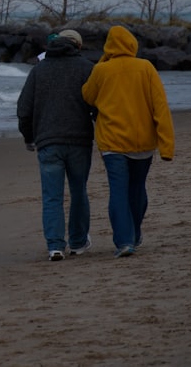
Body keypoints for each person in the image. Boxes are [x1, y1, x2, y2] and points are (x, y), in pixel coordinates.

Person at [81, 25, 175, 258]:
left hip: (112, 142)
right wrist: (166, 146)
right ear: (132, 45)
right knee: (137, 189)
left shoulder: (101, 70)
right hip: (143, 141)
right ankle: (134, 233)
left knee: (119, 192)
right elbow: (160, 107)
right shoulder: (146, 68)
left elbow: (87, 96)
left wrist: (104, 61)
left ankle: (125, 241)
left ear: (108, 46)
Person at [17, 29, 96, 261]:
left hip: (48, 141)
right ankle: (79, 242)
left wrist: (29, 137)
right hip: (79, 140)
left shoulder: (38, 70)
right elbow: (98, 104)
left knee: (52, 196)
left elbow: (24, 109)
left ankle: (55, 246)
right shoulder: (86, 68)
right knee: (79, 191)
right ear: (78, 47)